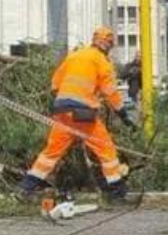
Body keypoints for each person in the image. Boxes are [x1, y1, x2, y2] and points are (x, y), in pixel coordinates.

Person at [19, 26, 135, 202]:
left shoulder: (74, 55)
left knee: (51, 153)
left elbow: (55, 84)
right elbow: (111, 92)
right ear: (108, 45)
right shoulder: (102, 61)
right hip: (83, 114)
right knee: (106, 149)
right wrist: (124, 116)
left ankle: (26, 188)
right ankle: (116, 193)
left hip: (62, 111)